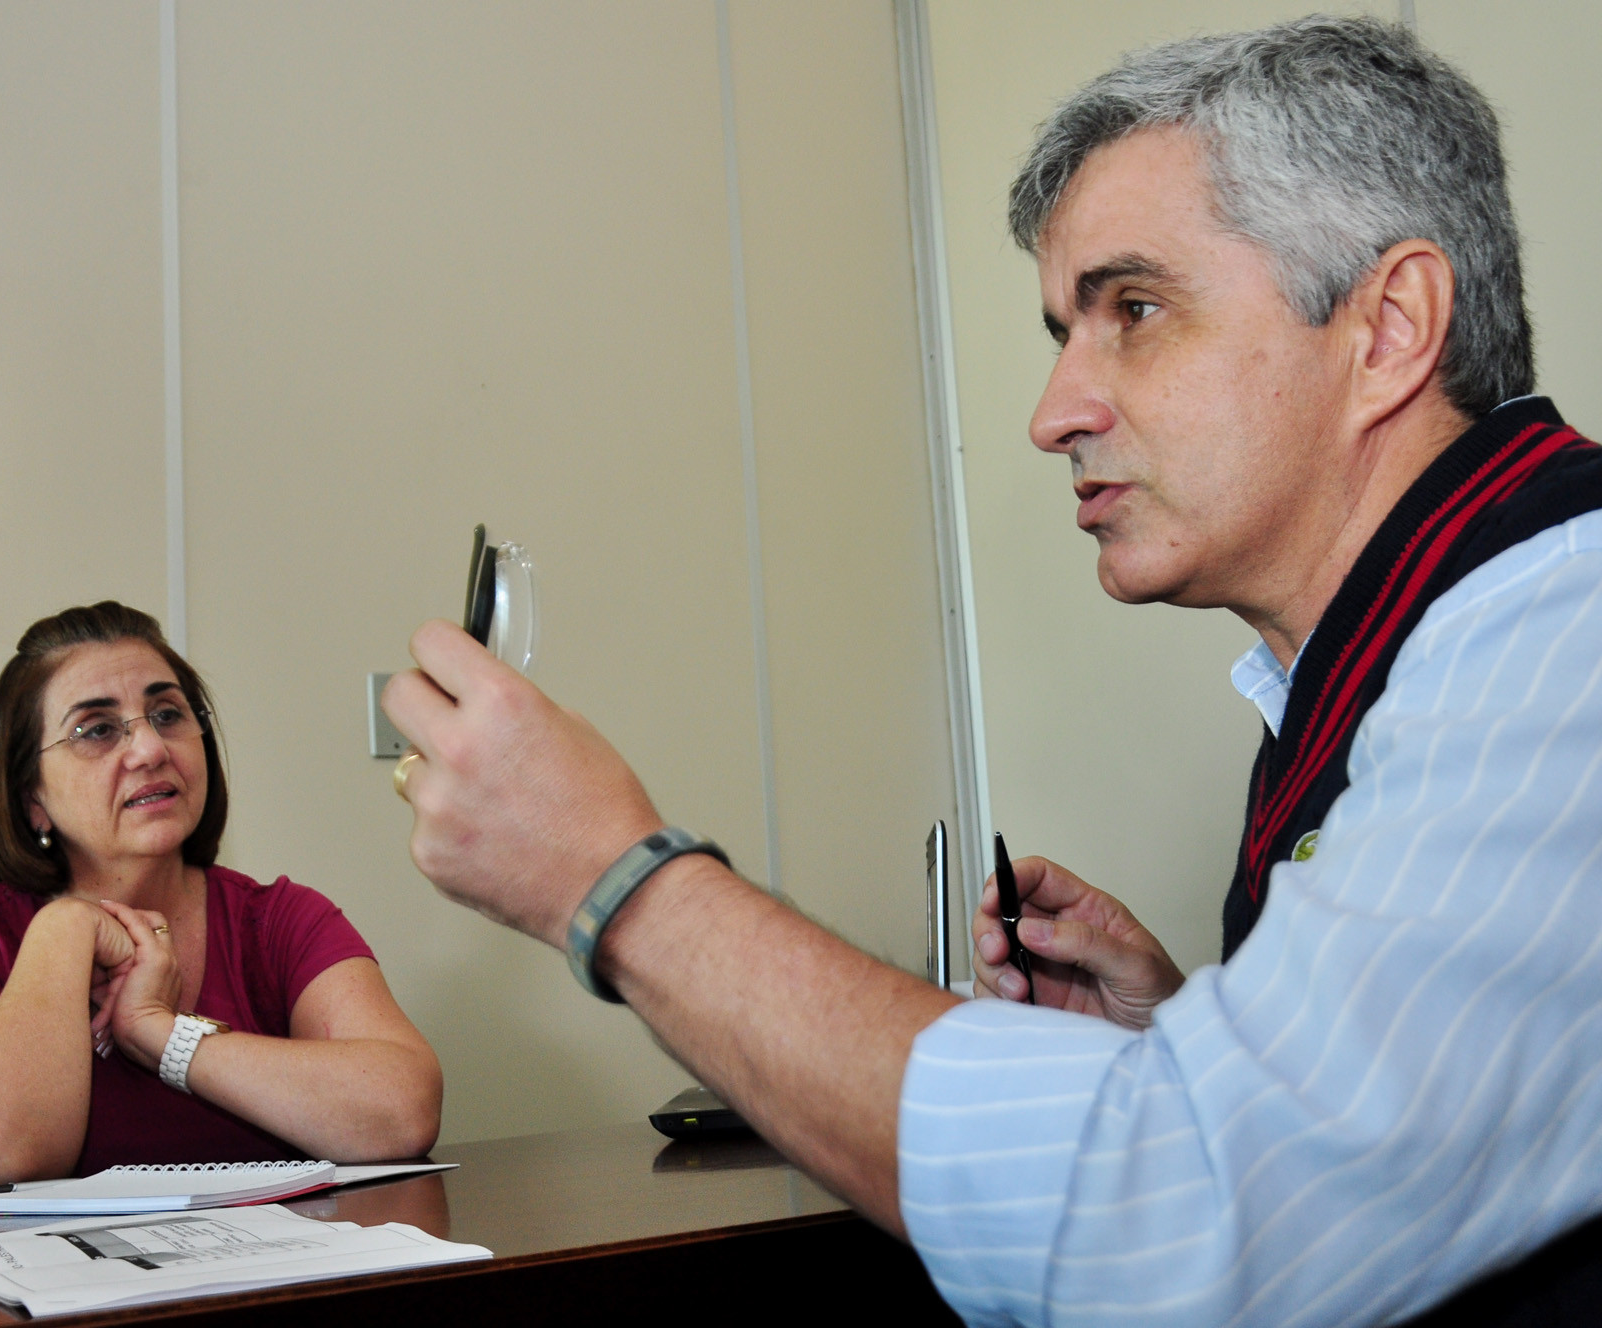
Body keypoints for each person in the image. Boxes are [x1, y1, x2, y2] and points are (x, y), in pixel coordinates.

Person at [382, 17, 1602, 1326]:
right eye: (1062, 330)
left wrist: (614, 886)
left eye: (1133, 310)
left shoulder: (1563, 619)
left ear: (1391, 326)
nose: (1052, 414)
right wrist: (1178, 1042)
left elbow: (1192, 1234)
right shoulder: (1403, 646)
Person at [0, 602, 441, 1191]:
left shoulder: (282, 919)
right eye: (98, 730)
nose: (151, 749)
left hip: (261, 1280)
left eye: (167, 714)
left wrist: (160, 1035)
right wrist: (65, 929)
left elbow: (402, 1113)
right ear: (33, 795)